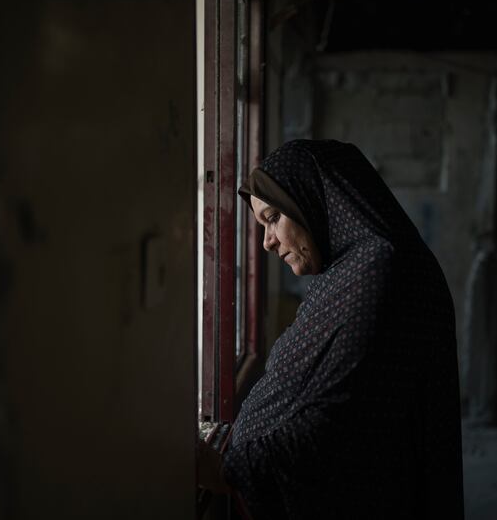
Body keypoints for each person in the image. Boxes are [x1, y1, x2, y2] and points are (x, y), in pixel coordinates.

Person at [197, 139, 464, 519]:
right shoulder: (349, 271)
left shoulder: (380, 272)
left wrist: (228, 470)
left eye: (273, 218)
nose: (268, 242)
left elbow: (337, 428)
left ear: (313, 200)